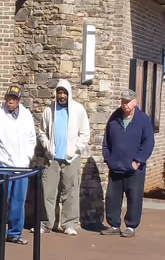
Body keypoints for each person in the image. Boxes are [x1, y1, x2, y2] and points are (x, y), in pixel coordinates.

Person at [36, 79, 92, 235]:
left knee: (70, 192)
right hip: (52, 159)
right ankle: (47, 224)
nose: (62, 95)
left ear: (69, 94)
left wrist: (74, 149)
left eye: (64, 93)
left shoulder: (78, 110)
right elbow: (41, 132)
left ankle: (69, 224)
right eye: (59, 92)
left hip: (71, 159)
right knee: (48, 192)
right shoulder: (49, 110)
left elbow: (85, 133)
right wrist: (48, 146)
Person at [0, 87, 36, 244]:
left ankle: (14, 233)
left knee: (18, 201)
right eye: (8, 98)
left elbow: (31, 139)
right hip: (3, 165)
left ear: (19, 101)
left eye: (13, 99)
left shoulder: (26, 115)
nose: (10, 101)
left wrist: (27, 158)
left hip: (21, 166)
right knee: (0, 201)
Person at [101, 88, 155, 237]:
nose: (125, 105)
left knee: (134, 197)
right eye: (123, 101)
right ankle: (113, 224)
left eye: (128, 102)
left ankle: (131, 226)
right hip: (116, 167)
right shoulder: (114, 117)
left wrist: (137, 161)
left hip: (134, 169)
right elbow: (106, 142)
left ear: (135, 102)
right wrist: (108, 159)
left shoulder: (143, 119)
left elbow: (148, 143)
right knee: (112, 197)